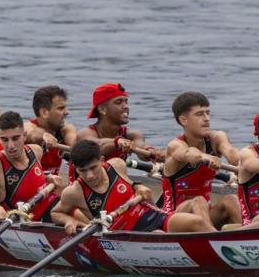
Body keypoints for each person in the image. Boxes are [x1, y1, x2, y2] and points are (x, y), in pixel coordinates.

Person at [52, 140, 213, 234]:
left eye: (93, 168)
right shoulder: (74, 192)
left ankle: (221, 244)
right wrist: (68, 221)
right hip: (128, 236)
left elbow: (131, 185)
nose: (90, 176)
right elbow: (56, 212)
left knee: (197, 223)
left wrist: (138, 186)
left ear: (102, 160)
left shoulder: (117, 165)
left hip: (155, 217)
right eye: (82, 171)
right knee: (158, 236)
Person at [160, 91, 241, 228]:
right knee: (198, 201)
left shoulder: (216, 138)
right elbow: (190, 154)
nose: (206, 118)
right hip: (174, 217)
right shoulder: (175, 145)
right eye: (199, 114)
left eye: (207, 113)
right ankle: (213, 238)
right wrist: (206, 157)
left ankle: (249, 234)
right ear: (183, 120)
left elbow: (233, 155)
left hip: (205, 213)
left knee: (230, 199)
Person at [0, 111, 63, 226]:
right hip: (28, 220)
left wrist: (47, 176)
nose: (11, 146)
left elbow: (31, 179)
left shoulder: (36, 151)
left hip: (52, 207)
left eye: (15, 138)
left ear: (24, 136)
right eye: (5, 140)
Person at [71, 82, 165, 179]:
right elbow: (97, 146)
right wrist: (117, 142)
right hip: (83, 187)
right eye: (119, 102)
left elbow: (140, 150)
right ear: (102, 109)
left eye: (126, 102)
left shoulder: (132, 134)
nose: (126, 106)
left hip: (108, 184)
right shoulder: (85, 134)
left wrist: (152, 152)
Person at [24, 85, 76, 175]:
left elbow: (75, 143)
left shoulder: (66, 130)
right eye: (61, 108)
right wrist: (45, 135)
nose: (67, 112)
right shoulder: (27, 127)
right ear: (44, 112)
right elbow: (33, 135)